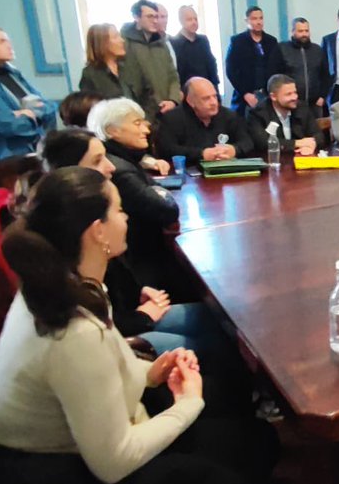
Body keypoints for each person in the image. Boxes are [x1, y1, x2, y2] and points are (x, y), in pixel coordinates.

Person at [0, 166, 285, 484]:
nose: (126, 218)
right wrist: (187, 404)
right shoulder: (69, 328)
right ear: (96, 231)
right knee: (249, 443)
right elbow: (113, 461)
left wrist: (150, 371)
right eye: (119, 210)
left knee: (237, 418)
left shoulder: (64, 284)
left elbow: (104, 369)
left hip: (70, 448)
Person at [41, 128, 243, 362]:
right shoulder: (74, 229)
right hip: (114, 338)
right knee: (220, 346)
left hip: (128, 312)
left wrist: (138, 292)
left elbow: (111, 283)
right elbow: (92, 325)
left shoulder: (89, 210)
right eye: (98, 160)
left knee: (221, 320)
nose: (111, 167)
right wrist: (142, 318)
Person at [86, 98, 182, 291]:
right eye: (137, 123)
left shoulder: (125, 159)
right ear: (113, 131)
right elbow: (167, 209)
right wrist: (159, 191)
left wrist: (155, 189)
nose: (146, 130)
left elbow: (154, 190)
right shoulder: (119, 170)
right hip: (141, 264)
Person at [0, 24, 58, 165]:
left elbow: (50, 108)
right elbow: (9, 126)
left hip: (37, 152)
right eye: (1, 41)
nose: (9, 46)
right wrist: (34, 115)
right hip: (8, 161)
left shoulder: (16, 76)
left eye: (8, 41)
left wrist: (26, 113)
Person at [156, 77, 254, 161]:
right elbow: (167, 149)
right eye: (206, 98)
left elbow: (247, 142)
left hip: (224, 172)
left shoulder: (229, 115)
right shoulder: (172, 119)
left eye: (214, 96)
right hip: (189, 174)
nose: (213, 102)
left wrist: (234, 149)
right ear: (191, 101)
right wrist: (202, 154)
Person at [119, 0, 181, 121]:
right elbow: (126, 80)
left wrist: (173, 100)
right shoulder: (125, 44)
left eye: (156, 17)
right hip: (140, 112)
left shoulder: (161, 43)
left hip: (166, 109)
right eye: (150, 16)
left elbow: (173, 75)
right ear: (136, 17)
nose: (155, 21)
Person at [247, 74, 323, 157]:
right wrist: (298, 143)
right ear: (273, 96)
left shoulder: (302, 108)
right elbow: (262, 143)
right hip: (271, 161)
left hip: (300, 159)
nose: (294, 97)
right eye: (288, 94)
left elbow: (319, 135)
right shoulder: (257, 114)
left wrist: (312, 144)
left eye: (295, 92)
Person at [268, 16, 328, 116]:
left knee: (316, 130)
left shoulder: (317, 50)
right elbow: (273, 76)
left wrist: (322, 97)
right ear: (293, 32)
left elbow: (325, 76)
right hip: (290, 103)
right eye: (300, 31)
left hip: (315, 105)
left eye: (306, 31)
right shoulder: (281, 49)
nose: (304, 34)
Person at [226, 5, 279, 118]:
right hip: (245, 95)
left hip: (267, 93)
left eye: (261, 18)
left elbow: (276, 68)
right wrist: (245, 93)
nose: (259, 22)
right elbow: (231, 70)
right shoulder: (237, 41)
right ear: (247, 21)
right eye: (254, 19)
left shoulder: (271, 41)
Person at [79, 24, 135, 100]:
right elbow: (90, 107)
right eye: (116, 37)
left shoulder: (130, 66)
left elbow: (146, 94)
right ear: (102, 43)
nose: (122, 40)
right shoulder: (90, 75)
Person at [170, 5, 219, 89]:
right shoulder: (174, 43)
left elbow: (211, 65)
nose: (194, 22)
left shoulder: (203, 40)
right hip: (185, 91)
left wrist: (215, 88)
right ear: (181, 21)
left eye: (195, 19)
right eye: (189, 19)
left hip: (206, 88)